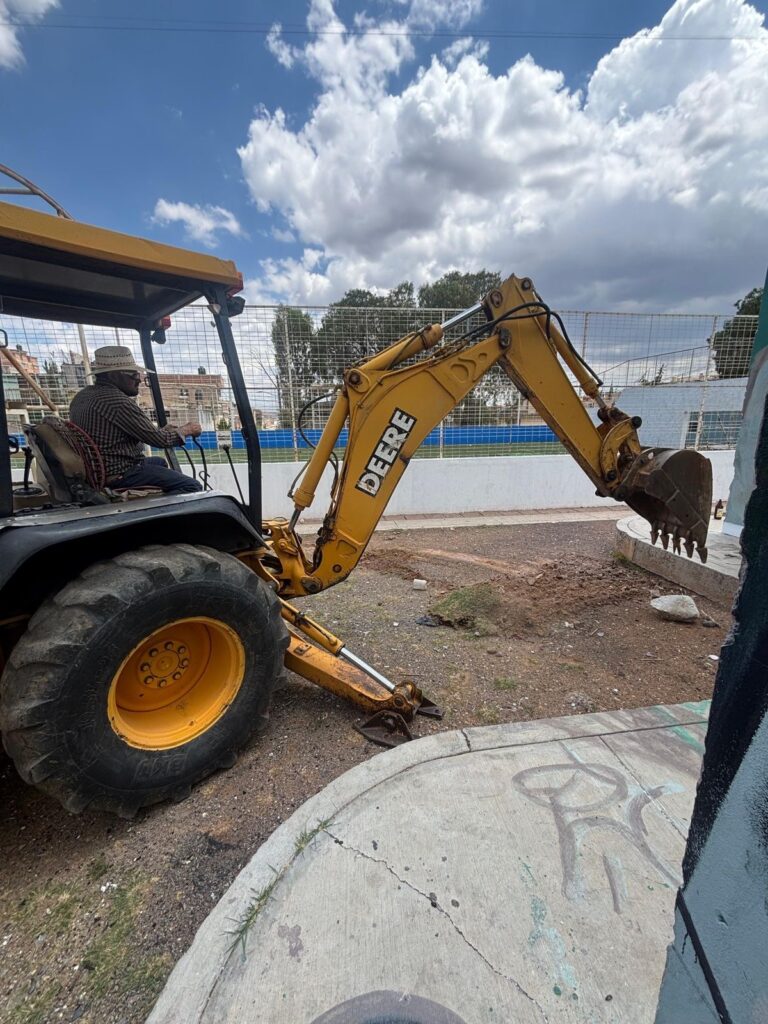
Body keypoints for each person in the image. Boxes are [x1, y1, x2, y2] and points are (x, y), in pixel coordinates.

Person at [69, 345, 203, 495]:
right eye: (133, 374)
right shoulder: (116, 401)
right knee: (192, 486)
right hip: (120, 473)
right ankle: (160, 509)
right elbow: (161, 441)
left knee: (160, 462)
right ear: (113, 376)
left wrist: (162, 432)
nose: (139, 379)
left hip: (99, 471)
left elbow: (135, 433)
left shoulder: (83, 396)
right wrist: (187, 430)